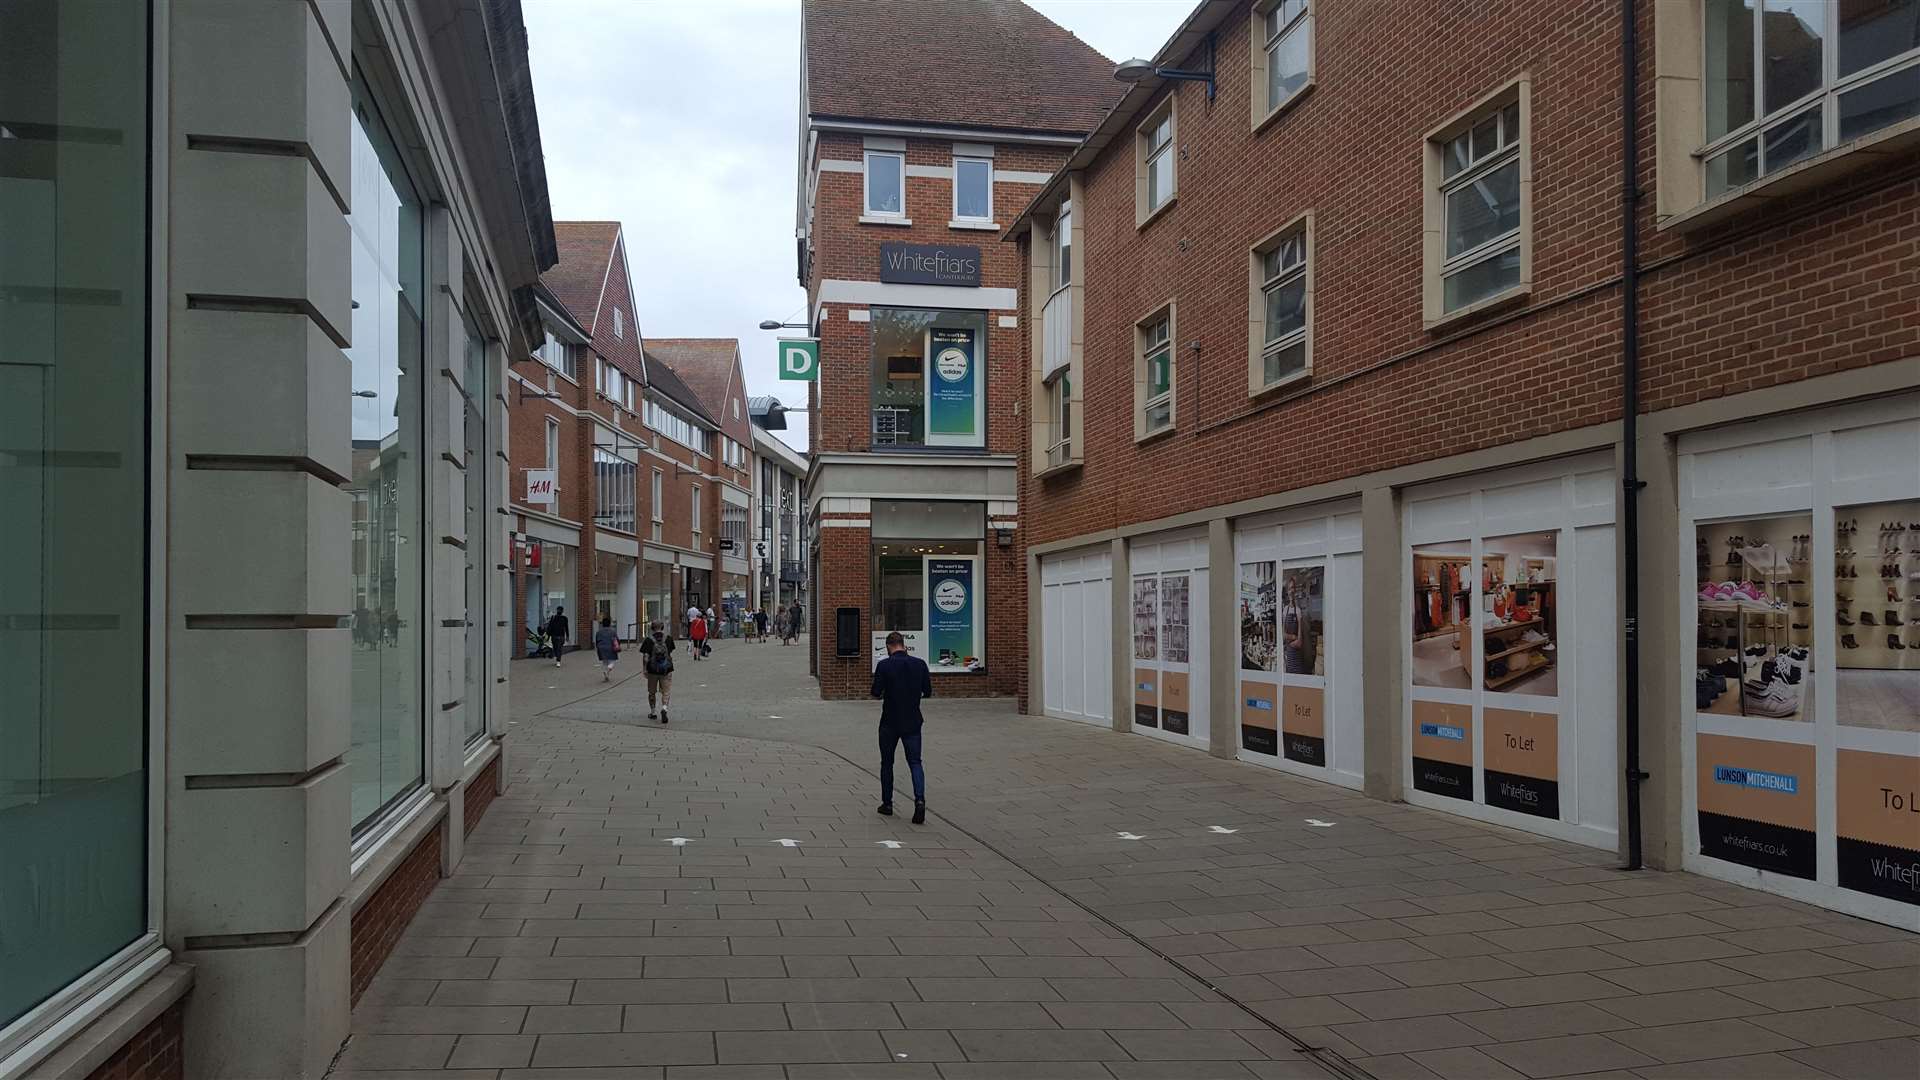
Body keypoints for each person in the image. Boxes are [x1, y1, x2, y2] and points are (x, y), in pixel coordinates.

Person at [871, 630, 932, 824]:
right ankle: (920, 800)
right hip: (913, 721)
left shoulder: (884, 665)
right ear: (903, 644)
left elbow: (875, 692)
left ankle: (887, 803)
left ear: (889, 646)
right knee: (915, 762)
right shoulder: (920, 664)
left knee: (887, 763)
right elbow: (928, 691)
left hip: (890, 721)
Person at [639, 621, 674, 723]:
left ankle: (653, 712)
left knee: (652, 692)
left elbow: (645, 657)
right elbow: (670, 653)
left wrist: (644, 669)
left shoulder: (648, 640)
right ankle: (664, 708)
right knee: (666, 692)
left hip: (652, 670)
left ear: (652, 628)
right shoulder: (668, 639)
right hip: (666, 669)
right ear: (662, 627)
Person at [593, 616, 620, 682]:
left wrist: (598, 648)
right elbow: (617, 640)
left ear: (602, 624)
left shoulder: (598, 632)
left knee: (604, 662)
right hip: (610, 648)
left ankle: (606, 675)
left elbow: (596, 641)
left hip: (601, 648)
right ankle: (608, 669)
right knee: (612, 661)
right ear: (609, 624)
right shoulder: (612, 632)